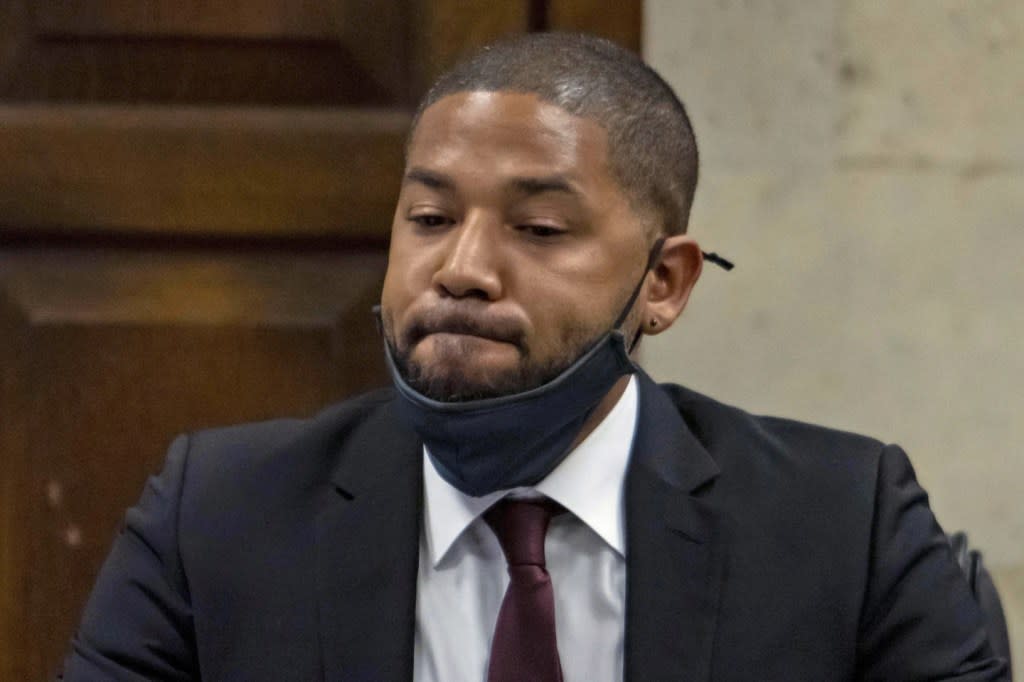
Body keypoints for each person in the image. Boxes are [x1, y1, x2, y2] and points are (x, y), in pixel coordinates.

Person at [62, 32, 1007, 681]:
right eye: (428, 219)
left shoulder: (847, 527)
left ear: (665, 283)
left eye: (541, 227)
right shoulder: (218, 515)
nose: (462, 270)